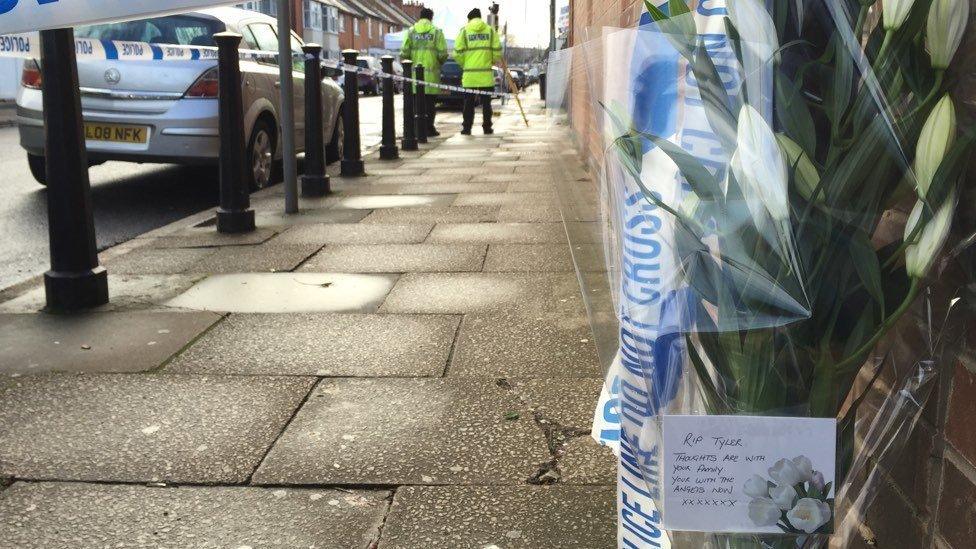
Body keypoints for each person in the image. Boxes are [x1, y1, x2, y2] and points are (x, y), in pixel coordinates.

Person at [400, 7, 448, 136]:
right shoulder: (436, 32)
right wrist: (438, 63)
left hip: (415, 75)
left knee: (416, 104)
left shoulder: (411, 31)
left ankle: (417, 129)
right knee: (430, 104)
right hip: (431, 76)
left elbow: (404, 52)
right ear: (431, 18)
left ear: (419, 17)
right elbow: (443, 53)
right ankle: (429, 129)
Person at [454, 8, 502, 135]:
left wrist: (465, 63)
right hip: (486, 75)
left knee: (468, 104)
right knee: (486, 104)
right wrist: (491, 60)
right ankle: (487, 127)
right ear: (480, 17)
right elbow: (497, 50)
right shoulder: (490, 31)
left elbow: (457, 52)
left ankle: (467, 128)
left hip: (470, 75)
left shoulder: (464, 31)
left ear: (469, 19)